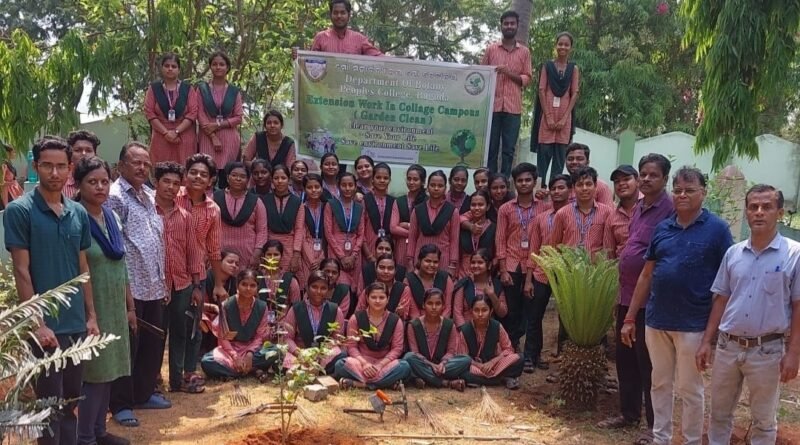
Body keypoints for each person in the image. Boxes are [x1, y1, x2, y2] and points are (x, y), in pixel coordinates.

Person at [620, 166, 734, 445]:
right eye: (678, 190)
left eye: (690, 190)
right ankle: (661, 438)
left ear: (703, 192)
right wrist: (631, 317)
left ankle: (692, 440)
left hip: (693, 324)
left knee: (690, 388)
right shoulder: (663, 228)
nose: (682, 195)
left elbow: (727, 281)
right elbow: (647, 275)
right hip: (656, 321)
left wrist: (712, 334)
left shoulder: (717, 230)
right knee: (659, 383)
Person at [5, 137, 98, 445]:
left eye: (61, 166)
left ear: (70, 168)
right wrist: (37, 323)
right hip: (45, 327)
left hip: (76, 323)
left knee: (71, 401)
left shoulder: (78, 212)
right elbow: (21, 270)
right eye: (47, 165)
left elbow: (83, 268)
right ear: (35, 166)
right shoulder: (20, 211)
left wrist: (91, 316)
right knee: (48, 406)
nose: (54, 173)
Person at [697, 184, 800, 445]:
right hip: (728, 347)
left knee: (764, 421)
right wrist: (707, 341)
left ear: (780, 212)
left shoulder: (794, 254)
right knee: (719, 414)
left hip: (767, 350)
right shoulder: (733, 253)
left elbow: (798, 305)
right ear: (746, 212)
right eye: (753, 207)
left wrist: (793, 353)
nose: (759, 212)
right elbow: (721, 299)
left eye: (767, 207)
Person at [599, 154, 672, 434]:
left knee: (648, 363)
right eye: (644, 174)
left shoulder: (669, 209)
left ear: (665, 178)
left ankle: (655, 427)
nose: (647, 179)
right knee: (625, 358)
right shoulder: (640, 207)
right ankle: (628, 414)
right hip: (626, 295)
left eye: (654, 175)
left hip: (650, 300)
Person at [106, 142, 169, 426]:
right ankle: (120, 404)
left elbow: (155, 241)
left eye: (146, 163)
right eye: (136, 162)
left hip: (153, 284)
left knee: (151, 344)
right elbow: (114, 246)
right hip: (130, 286)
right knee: (127, 347)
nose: (142, 168)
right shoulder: (115, 197)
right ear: (121, 166)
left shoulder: (148, 195)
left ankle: (142, 395)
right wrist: (125, 291)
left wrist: (163, 281)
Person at [74, 157, 134, 445]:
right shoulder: (75, 218)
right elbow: (81, 270)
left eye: (104, 181)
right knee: (95, 374)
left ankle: (100, 431)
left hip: (115, 306)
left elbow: (122, 266)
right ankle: (85, 437)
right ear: (79, 184)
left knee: (110, 371)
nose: (100, 187)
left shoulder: (112, 217)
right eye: (92, 182)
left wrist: (130, 307)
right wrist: (90, 314)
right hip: (93, 306)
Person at [152, 162, 206, 395]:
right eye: (166, 181)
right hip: (155, 285)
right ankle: (153, 378)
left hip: (182, 284)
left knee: (181, 332)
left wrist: (197, 286)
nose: (171, 187)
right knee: (155, 334)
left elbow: (193, 253)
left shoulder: (185, 217)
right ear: (156, 182)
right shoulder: (147, 212)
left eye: (176, 183)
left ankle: (178, 379)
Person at [496, 162, 550, 351]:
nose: (524, 183)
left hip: (535, 265)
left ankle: (531, 351)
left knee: (532, 310)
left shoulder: (544, 208)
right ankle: (511, 347)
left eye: (528, 180)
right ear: (514, 183)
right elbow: (500, 239)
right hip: (511, 264)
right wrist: (503, 270)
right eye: (520, 180)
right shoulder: (505, 209)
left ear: (535, 182)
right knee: (512, 309)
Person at [526, 174, 572, 373]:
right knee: (535, 316)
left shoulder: (575, 216)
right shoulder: (541, 218)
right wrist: (528, 280)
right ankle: (531, 356)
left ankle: (564, 358)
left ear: (570, 190)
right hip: (542, 273)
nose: (557, 191)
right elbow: (533, 250)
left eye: (561, 187)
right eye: (553, 188)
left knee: (567, 319)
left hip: (567, 275)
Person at [481, 10, 532, 176]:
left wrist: (508, 73)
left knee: (509, 150)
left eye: (512, 23)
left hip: (513, 109)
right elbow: (481, 75)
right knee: (491, 149)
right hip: (492, 107)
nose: (509, 26)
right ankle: (490, 183)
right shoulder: (491, 50)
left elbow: (527, 79)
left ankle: (504, 182)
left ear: (517, 26)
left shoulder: (524, 52)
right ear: (501, 26)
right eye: (506, 23)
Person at [200, 269, 278, 378]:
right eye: (244, 284)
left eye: (252, 285)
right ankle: (252, 370)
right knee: (207, 361)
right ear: (237, 285)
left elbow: (260, 336)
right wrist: (235, 357)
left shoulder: (262, 307)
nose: (248, 288)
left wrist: (250, 354)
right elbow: (223, 337)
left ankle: (238, 371)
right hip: (230, 350)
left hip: (253, 349)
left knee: (276, 351)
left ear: (257, 288)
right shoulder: (226, 305)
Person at [335, 282, 411, 390]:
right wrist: (365, 364)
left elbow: (397, 349)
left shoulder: (395, 320)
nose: (377, 301)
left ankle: (361, 384)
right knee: (340, 364)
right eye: (373, 297)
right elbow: (351, 346)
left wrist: (380, 365)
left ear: (388, 299)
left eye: (381, 297)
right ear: (367, 298)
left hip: (385, 363)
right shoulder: (356, 318)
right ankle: (385, 383)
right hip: (361, 362)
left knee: (404, 366)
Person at [532, 32, 580, 186]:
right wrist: (548, 116)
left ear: (571, 48)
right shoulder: (547, 66)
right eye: (560, 44)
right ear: (556, 45)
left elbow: (575, 93)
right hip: (547, 119)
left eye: (566, 44)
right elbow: (541, 90)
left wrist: (565, 118)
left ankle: (556, 192)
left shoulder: (573, 69)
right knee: (542, 160)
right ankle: (539, 191)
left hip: (564, 120)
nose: (563, 47)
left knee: (559, 161)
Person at [177, 154, 226, 303]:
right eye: (193, 172)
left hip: (196, 278)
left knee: (192, 317)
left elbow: (214, 250)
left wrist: (218, 284)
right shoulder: (173, 196)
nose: (198, 177)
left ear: (210, 181)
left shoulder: (213, 210)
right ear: (186, 175)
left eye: (203, 175)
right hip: (168, 272)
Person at [281, 271, 347, 374]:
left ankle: (314, 370)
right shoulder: (296, 309)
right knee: (278, 354)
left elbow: (336, 338)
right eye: (314, 287)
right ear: (307, 288)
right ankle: (311, 370)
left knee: (341, 357)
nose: (318, 291)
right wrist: (300, 353)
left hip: (324, 355)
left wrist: (321, 354)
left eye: (323, 288)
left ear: (328, 290)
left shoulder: (335, 310)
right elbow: (287, 338)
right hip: (300, 353)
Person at [404, 288, 470, 391]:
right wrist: (432, 365)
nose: (434, 307)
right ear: (423, 305)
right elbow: (415, 352)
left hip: (442, 366)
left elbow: (451, 351)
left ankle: (423, 377)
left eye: (438, 304)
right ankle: (446, 383)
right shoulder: (413, 325)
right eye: (430, 303)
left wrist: (442, 364)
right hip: (422, 363)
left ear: (443, 306)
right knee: (408, 357)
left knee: (466, 359)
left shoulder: (449, 325)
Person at [195, 51, 244, 184]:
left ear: (227, 67)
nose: (218, 67)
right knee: (207, 173)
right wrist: (213, 137)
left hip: (229, 138)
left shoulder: (234, 91)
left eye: (222, 64)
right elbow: (200, 114)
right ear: (210, 66)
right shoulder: (202, 89)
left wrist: (217, 125)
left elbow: (238, 117)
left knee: (226, 177)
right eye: (214, 64)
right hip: (207, 137)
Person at [459, 295, 524, 390]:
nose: (480, 314)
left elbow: (508, 349)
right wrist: (479, 366)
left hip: (495, 365)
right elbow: (463, 357)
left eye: (484, 310)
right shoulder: (465, 330)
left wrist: (492, 362)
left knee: (519, 358)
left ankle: (480, 380)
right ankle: (501, 379)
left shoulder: (497, 326)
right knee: (463, 371)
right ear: (471, 311)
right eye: (476, 310)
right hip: (475, 367)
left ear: (491, 311)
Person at [144, 53, 198, 165]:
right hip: (161, 136)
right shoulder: (154, 89)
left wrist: (176, 131)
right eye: (167, 66)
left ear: (179, 70)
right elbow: (149, 112)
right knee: (161, 169)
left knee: (185, 167)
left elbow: (193, 112)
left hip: (184, 136)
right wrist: (166, 133)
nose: (170, 69)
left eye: (173, 66)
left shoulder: (188, 89)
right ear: (162, 68)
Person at [550, 166, 615, 258]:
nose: (584, 188)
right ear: (573, 188)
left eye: (588, 184)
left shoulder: (607, 212)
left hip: (596, 266)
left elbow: (609, 247)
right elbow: (554, 247)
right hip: (568, 266)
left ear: (595, 186)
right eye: (580, 185)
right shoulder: (562, 213)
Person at [214, 162, 268, 270]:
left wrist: (257, 253)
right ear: (227, 178)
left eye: (242, 176)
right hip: (219, 252)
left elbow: (262, 231)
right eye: (234, 175)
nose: (238, 179)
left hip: (247, 255)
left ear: (248, 180)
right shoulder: (215, 198)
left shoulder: (256, 202)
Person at [406, 170, 460, 275]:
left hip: (443, 262)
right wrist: (410, 261)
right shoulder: (418, 210)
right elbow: (412, 237)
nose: (436, 188)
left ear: (445, 188)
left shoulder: (452, 211)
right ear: (427, 187)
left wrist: (452, 265)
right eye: (432, 185)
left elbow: (454, 240)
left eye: (440, 186)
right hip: (420, 261)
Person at [324, 172, 365, 288]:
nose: (347, 188)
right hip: (335, 250)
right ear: (338, 186)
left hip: (354, 252)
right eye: (344, 185)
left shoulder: (359, 207)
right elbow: (328, 232)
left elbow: (361, 233)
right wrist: (341, 256)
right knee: (336, 283)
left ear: (355, 187)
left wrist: (354, 255)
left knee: (354, 287)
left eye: (350, 185)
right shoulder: (331, 204)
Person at [452, 249, 507, 328]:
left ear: (489, 265)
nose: (475, 265)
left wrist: (492, 295)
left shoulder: (496, 284)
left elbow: (502, 313)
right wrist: (465, 331)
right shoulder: (464, 284)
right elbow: (457, 313)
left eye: (480, 262)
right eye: (473, 262)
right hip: (466, 329)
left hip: (488, 330)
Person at [264, 164, 304, 272]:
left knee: (287, 278)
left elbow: (299, 229)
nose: (279, 181)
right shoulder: (264, 200)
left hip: (289, 247)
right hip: (269, 246)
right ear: (272, 180)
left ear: (289, 180)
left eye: (283, 178)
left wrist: (296, 254)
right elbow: (262, 228)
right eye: (276, 178)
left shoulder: (297, 202)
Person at [306, 0, 382, 56]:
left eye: (343, 13)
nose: (339, 16)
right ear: (330, 15)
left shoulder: (359, 39)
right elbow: (310, 62)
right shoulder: (320, 38)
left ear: (349, 15)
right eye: (335, 13)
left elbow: (379, 57)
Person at [356, 253, 413, 319]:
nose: (386, 271)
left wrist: (400, 313)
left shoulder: (403, 289)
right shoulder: (368, 290)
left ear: (395, 271)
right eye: (382, 267)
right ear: (376, 269)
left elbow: (404, 316)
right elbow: (358, 315)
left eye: (390, 268)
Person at [405, 245, 453, 319]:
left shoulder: (446, 278)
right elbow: (413, 312)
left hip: (442, 321)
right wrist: (423, 324)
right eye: (428, 261)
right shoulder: (409, 280)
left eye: (435, 262)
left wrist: (440, 323)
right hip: (417, 322)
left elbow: (447, 308)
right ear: (419, 260)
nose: (432, 265)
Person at [457, 190, 496, 278]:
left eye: (480, 205)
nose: (477, 208)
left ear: (488, 206)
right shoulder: (463, 226)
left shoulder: (494, 228)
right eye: (473, 205)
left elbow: (497, 255)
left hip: (485, 276)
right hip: (463, 274)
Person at [297, 173, 327, 286]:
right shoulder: (301, 208)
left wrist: (321, 258)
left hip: (324, 251)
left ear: (322, 188)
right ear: (304, 189)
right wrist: (312, 260)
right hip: (306, 254)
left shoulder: (327, 207)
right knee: (308, 285)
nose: (314, 190)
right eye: (309, 187)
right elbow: (302, 236)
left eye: (317, 187)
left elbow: (330, 234)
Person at [394, 164, 427, 265]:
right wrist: (414, 232)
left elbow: (425, 228)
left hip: (421, 244)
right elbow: (393, 228)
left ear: (422, 182)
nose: (411, 182)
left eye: (415, 179)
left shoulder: (427, 202)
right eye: (409, 179)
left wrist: (406, 225)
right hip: (402, 245)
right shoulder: (399, 201)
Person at [605, 165, 640, 258]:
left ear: (638, 181)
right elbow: (609, 254)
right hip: (620, 266)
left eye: (626, 179)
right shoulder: (612, 218)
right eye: (617, 181)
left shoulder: (650, 207)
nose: (621, 183)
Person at [258, 240, 302, 311]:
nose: (272, 258)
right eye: (269, 254)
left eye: (276, 255)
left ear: (281, 256)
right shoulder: (257, 278)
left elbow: (296, 307)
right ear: (264, 256)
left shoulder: (290, 280)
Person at [64, 129, 101, 198]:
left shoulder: (103, 185)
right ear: (69, 154)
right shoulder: (61, 183)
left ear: (95, 155)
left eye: (88, 150)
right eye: (78, 150)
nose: (84, 154)